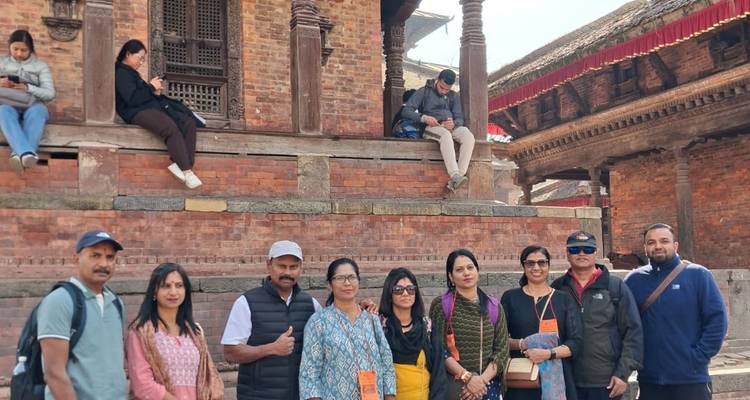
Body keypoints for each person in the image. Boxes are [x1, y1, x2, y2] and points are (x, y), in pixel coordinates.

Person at [624, 223, 727, 400]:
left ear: (675, 245)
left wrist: (697, 358)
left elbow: (717, 321)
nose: (658, 246)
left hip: (691, 379)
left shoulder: (698, 275)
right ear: (645, 247)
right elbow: (624, 325)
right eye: (651, 242)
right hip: (650, 380)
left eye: (664, 241)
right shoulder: (634, 280)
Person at [221, 240, 321, 400]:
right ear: (269, 265)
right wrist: (272, 348)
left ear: (301, 268)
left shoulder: (312, 305)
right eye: (281, 266)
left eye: (293, 267)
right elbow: (230, 353)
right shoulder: (246, 302)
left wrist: (363, 310)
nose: (287, 272)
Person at [551, 231, 643, 400]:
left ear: (596, 253)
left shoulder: (615, 287)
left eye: (587, 249)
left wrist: (623, 374)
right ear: (567, 254)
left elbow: (633, 333)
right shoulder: (557, 289)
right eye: (575, 250)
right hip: (567, 379)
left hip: (606, 380)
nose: (581, 253)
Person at [36, 229, 127, 399]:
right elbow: (54, 373)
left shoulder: (116, 303)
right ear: (76, 259)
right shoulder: (60, 301)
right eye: (95, 255)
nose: (104, 264)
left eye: (110, 257)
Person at [299, 258, 397, 400]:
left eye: (352, 277)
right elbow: (309, 374)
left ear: (358, 281)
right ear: (329, 285)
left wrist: (389, 397)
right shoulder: (318, 322)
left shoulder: (372, 320)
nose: (347, 283)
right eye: (340, 278)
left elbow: (387, 364)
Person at [127, 263, 224, 399]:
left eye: (179, 285)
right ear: (154, 292)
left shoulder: (195, 333)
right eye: (166, 286)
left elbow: (209, 379)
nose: (173, 292)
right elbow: (142, 385)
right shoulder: (140, 333)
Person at [115, 39, 202, 189]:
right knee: (169, 127)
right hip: (135, 112)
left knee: (188, 122)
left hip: (149, 108)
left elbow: (142, 95)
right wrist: (149, 87)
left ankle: (180, 164)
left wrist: (153, 92)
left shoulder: (132, 73)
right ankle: (187, 171)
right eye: (139, 58)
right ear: (128, 54)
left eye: (143, 59)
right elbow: (132, 99)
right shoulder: (121, 72)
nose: (141, 62)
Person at [500, 245, 582, 400]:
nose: (536, 267)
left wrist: (548, 354)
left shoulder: (563, 299)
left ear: (548, 265)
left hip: (558, 377)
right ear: (523, 266)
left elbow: (576, 342)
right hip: (521, 379)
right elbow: (499, 340)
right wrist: (523, 344)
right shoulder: (511, 298)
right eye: (530, 263)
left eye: (541, 262)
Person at [428, 249, 509, 400]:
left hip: (487, 386)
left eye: (470, 267)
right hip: (454, 386)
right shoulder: (441, 305)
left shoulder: (493, 306)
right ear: (451, 277)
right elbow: (439, 348)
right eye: (459, 270)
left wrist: (481, 381)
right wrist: (467, 378)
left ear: (477, 271)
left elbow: (502, 351)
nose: (466, 273)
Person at [378, 267, 447, 400]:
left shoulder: (428, 328)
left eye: (410, 289)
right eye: (398, 290)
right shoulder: (380, 328)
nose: (405, 294)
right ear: (389, 294)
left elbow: (439, 375)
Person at [401, 69, 475, 192]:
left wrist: (454, 123)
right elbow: (406, 111)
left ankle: (458, 177)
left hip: (450, 127)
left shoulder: (453, 96)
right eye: (442, 87)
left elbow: (459, 118)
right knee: (445, 135)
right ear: (437, 80)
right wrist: (424, 118)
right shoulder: (423, 92)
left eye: (447, 89)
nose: (444, 91)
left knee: (468, 136)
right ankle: (454, 174)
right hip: (432, 127)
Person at [0, 29, 55, 173]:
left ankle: (19, 154)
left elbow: (50, 93)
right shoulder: (1, 62)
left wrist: (28, 87)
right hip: (6, 102)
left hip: (32, 104)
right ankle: (26, 153)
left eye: (24, 50)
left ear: (31, 49)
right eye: (15, 49)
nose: (19, 53)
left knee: (38, 112)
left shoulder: (40, 66)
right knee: (3, 111)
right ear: (9, 46)